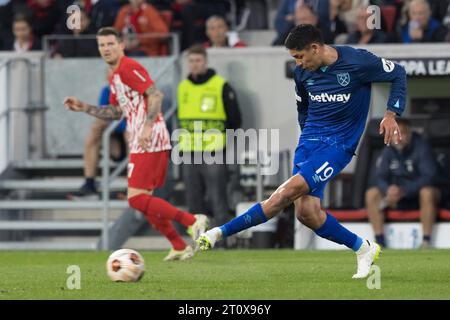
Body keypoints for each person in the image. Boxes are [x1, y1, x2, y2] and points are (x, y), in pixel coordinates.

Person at [197, 24, 407, 279]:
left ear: (315, 48)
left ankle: (218, 233)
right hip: (308, 144)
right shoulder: (302, 74)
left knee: (282, 195)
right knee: (306, 213)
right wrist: (306, 137)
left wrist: (390, 114)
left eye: (300, 56)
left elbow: (398, 73)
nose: (298, 62)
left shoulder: (358, 62)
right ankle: (363, 248)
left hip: (337, 146)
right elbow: (303, 109)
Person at [63, 27, 209, 261]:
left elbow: (155, 95)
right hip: (141, 139)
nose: (106, 49)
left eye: (110, 44)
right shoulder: (113, 76)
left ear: (121, 45)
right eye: (102, 45)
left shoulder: (129, 67)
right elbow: (115, 112)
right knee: (142, 202)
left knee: (135, 199)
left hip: (150, 138)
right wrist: (85, 107)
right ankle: (178, 245)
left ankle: (192, 221)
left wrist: (148, 126)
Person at [177, 44, 241, 241]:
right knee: (193, 201)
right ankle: (198, 241)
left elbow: (235, 120)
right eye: (191, 61)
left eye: (198, 60)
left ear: (205, 61)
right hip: (189, 152)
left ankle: (221, 242)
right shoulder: (183, 87)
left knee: (217, 199)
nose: (194, 65)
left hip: (214, 152)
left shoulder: (220, 85)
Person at [365, 119, 441, 249]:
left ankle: (426, 241)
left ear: (410, 133)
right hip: (397, 197)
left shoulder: (422, 147)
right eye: (395, 133)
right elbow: (379, 177)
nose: (399, 137)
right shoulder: (388, 150)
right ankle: (380, 241)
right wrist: (388, 190)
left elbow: (429, 177)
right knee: (372, 193)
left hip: (418, 195)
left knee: (427, 192)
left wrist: (404, 190)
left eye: (403, 133)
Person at [67, 69, 127, 200]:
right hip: (116, 142)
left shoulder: (131, 92)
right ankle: (89, 185)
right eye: (110, 73)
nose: (112, 77)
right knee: (95, 129)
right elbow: (102, 116)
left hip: (134, 141)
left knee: (131, 130)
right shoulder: (106, 91)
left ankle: (136, 185)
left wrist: (114, 123)